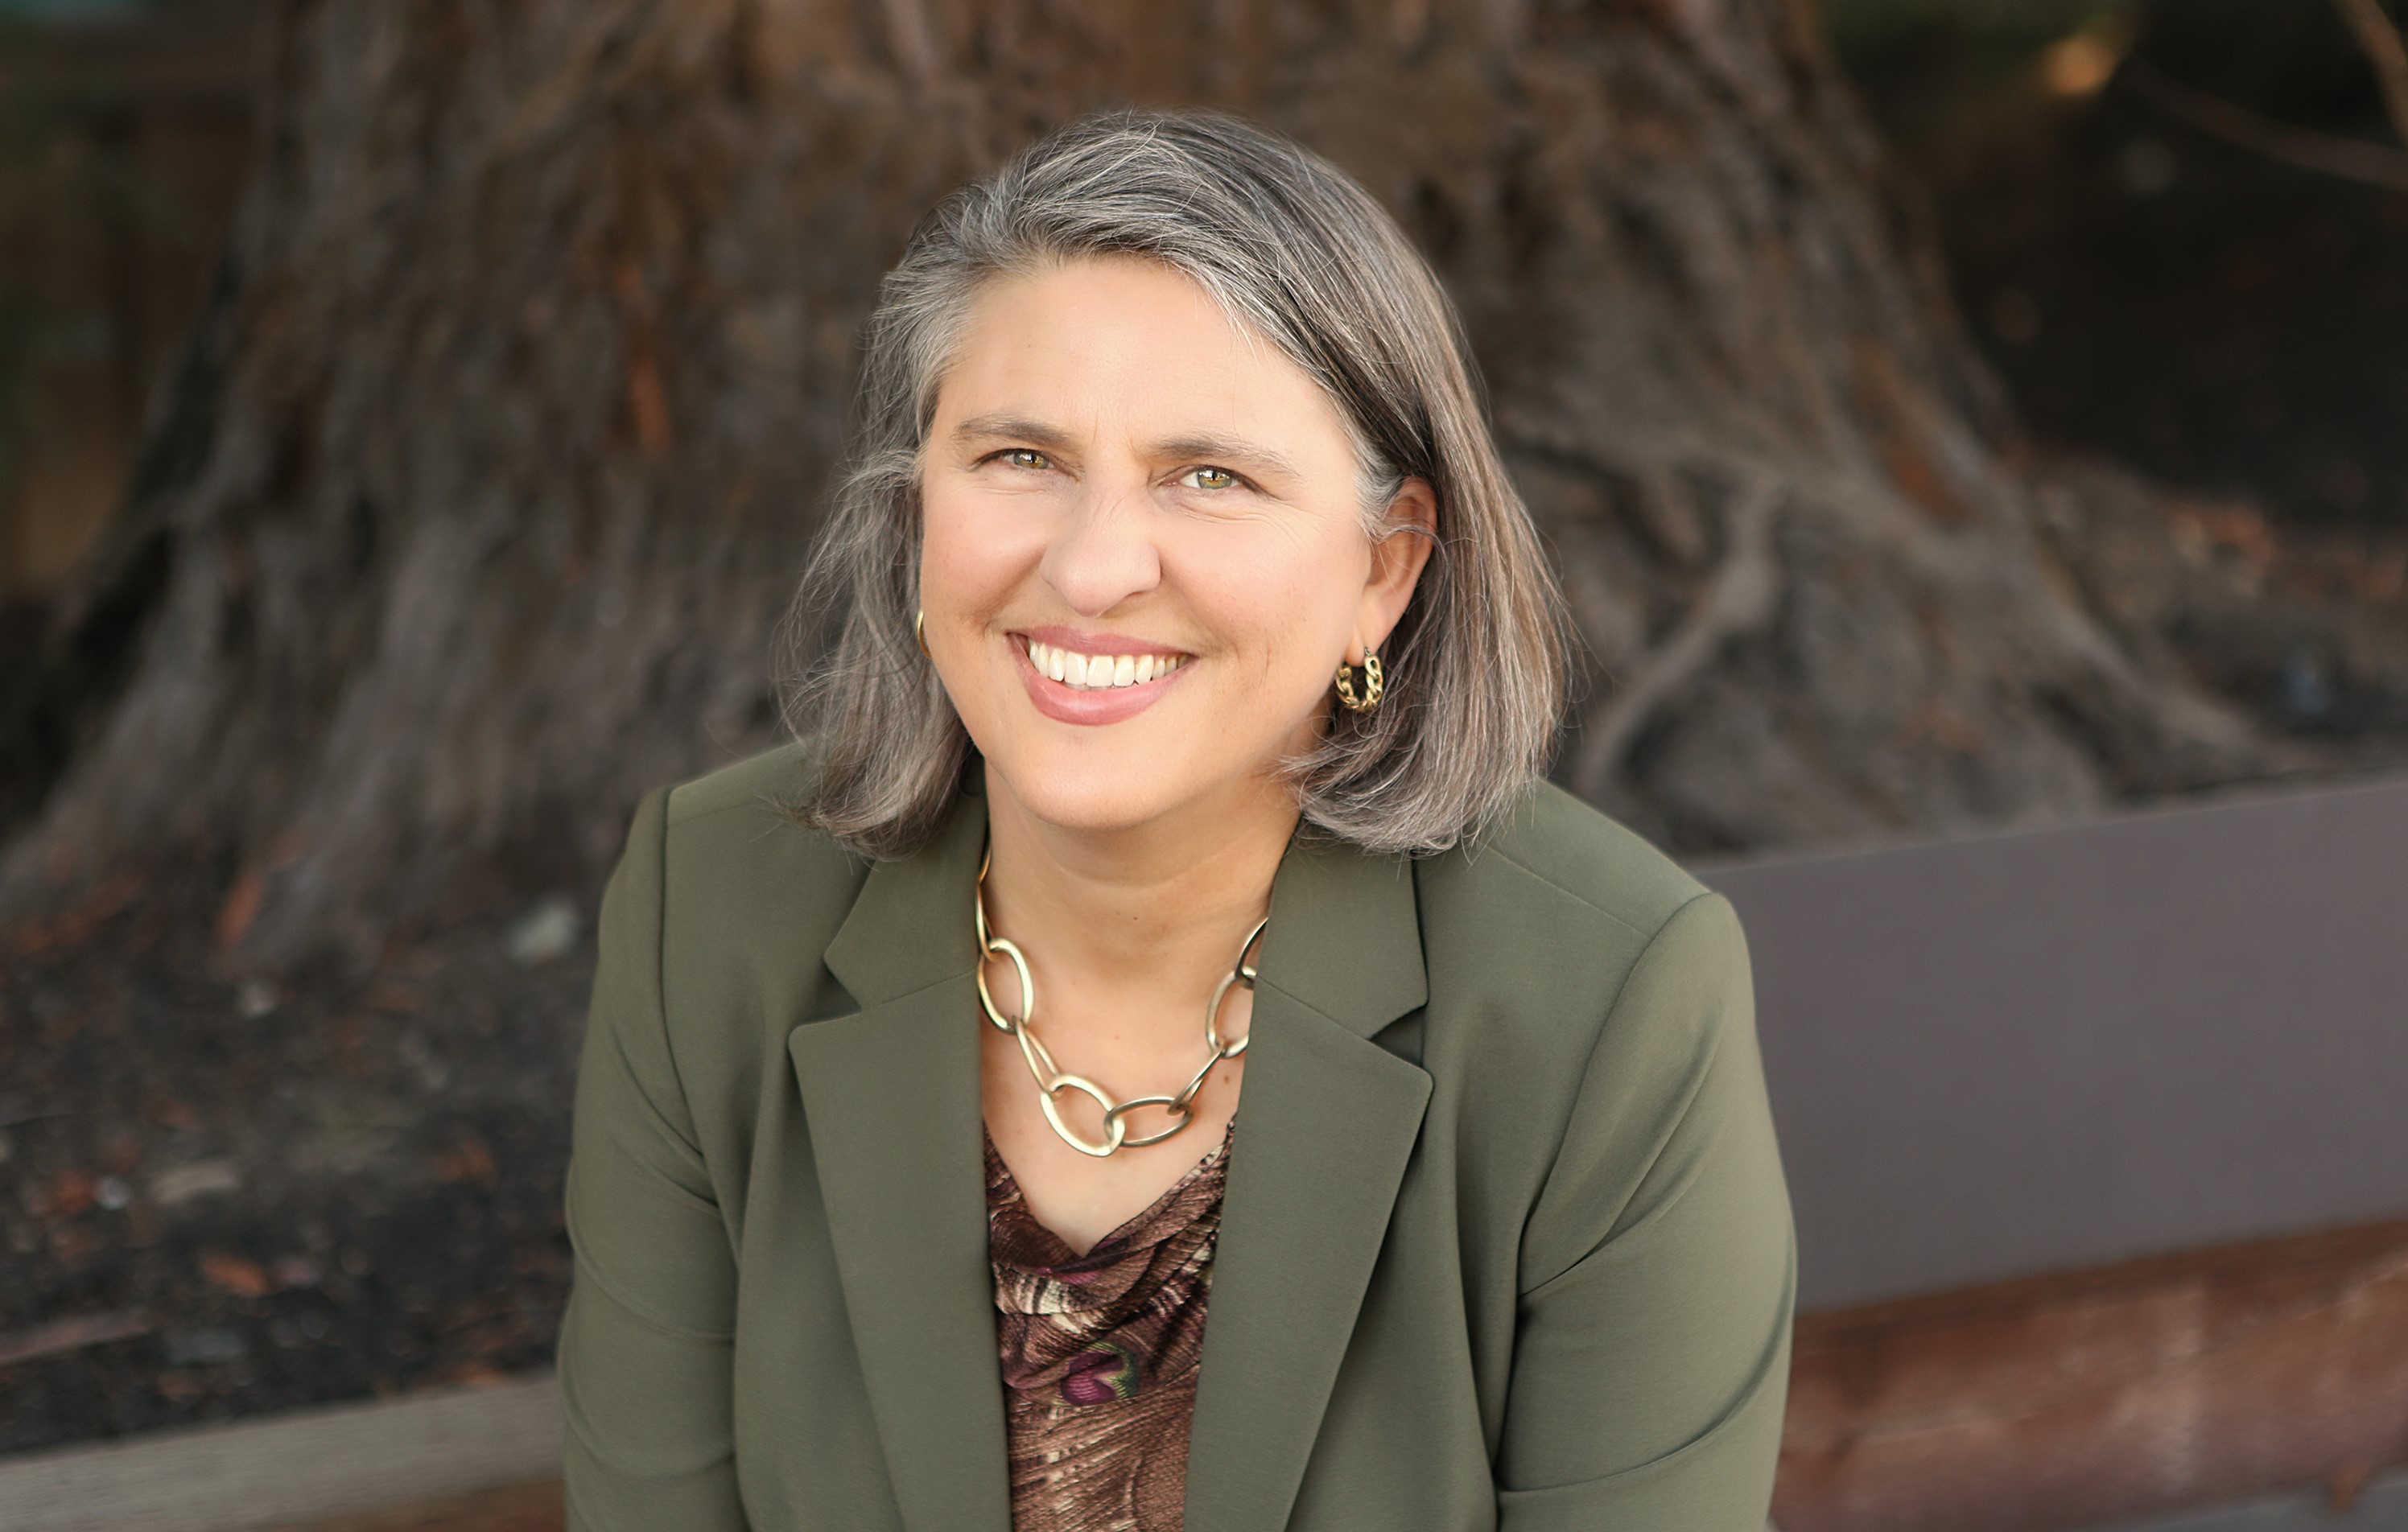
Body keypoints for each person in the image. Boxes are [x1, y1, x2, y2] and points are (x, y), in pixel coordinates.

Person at [556, 109, 1794, 1532]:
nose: (1091, 568)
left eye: (1210, 476)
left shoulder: (1610, 996)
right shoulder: (706, 903)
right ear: (916, 517)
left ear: (1385, 571)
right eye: (1019, 456)